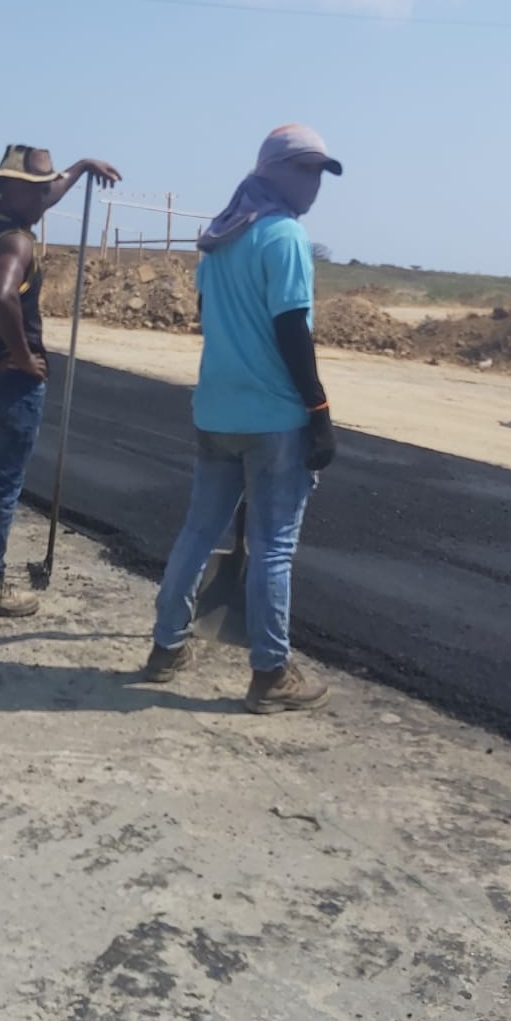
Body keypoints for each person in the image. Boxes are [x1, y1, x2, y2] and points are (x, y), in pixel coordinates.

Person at [145, 125, 342, 714]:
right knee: (273, 546)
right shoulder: (284, 237)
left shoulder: (221, 237)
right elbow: (291, 328)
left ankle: (166, 647)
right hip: (274, 418)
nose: (314, 185)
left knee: (198, 531)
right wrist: (319, 411)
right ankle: (271, 673)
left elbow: (207, 313)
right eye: (305, 171)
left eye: (320, 174)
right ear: (274, 171)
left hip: (215, 411)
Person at [0, 145, 120, 618]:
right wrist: (24, 357)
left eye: (46, 189)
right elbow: (3, 296)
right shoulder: (16, 242)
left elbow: (51, 192)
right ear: (8, 189)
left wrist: (83, 166)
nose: (45, 198)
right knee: (2, 483)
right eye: (35, 190)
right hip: (10, 382)